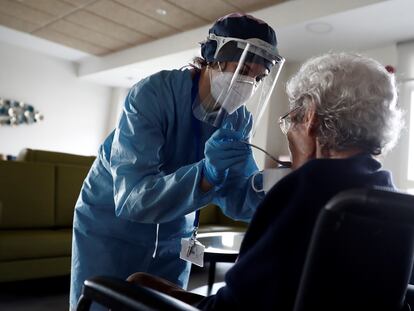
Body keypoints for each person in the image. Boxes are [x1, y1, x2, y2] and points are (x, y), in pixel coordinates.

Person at [127, 52, 403, 310]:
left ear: (309, 118)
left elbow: (233, 306)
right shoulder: (389, 197)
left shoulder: (302, 190)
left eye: (290, 119)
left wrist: (155, 288)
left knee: (136, 283)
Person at [69, 13, 285, 310]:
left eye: (258, 77)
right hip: (111, 227)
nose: (249, 83)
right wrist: (206, 175)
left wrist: (273, 187)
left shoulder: (238, 119)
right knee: (103, 302)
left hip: (175, 229)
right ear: (213, 58)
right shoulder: (153, 94)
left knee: (166, 304)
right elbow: (132, 199)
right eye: (243, 69)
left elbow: (237, 199)